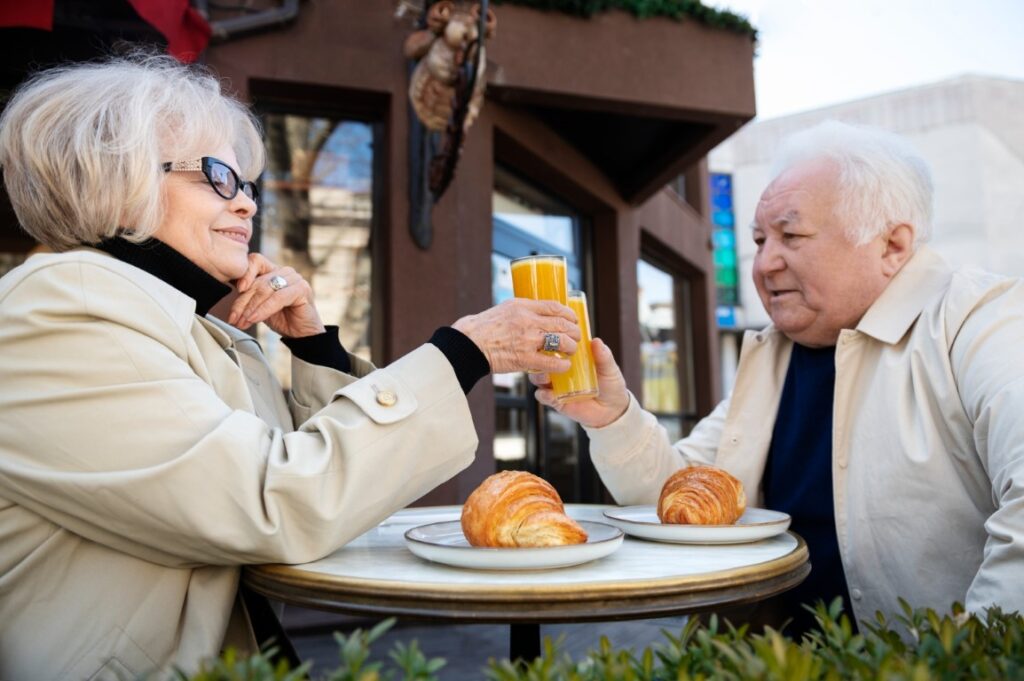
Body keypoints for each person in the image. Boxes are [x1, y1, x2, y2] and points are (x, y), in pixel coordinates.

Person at [0, 54, 582, 680]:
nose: (248, 204)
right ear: (116, 183)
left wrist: (314, 349)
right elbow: (278, 502)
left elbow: (339, 497)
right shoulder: (62, 317)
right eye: (219, 177)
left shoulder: (188, 325)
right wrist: (467, 351)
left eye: (248, 184)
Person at [534, 120, 1024, 635]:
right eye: (760, 239)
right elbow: (679, 502)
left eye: (792, 235)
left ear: (892, 246)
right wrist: (611, 417)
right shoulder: (774, 353)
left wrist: (966, 657)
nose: (765, 263)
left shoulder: (980, 320)